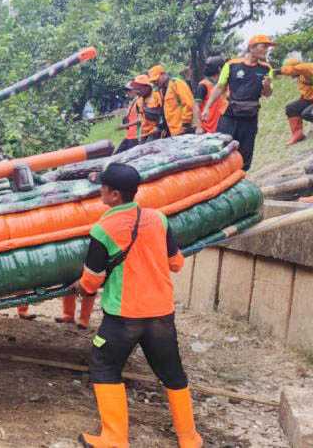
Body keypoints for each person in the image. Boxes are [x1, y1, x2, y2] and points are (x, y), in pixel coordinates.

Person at [72, 163, 201, 448]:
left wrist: (78, 287)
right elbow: (176, 263)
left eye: (103, 187)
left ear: (115, 195)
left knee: (104, 365)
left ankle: (115, 439)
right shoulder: (158, 219)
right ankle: (189, 438)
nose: (100, 191)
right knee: (172, 372)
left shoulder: (103, 228)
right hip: (161, 314)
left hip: (123, 317)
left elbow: (92, 281)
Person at [202, 35, 274, 171]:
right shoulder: (232, 65)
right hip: (230, 115)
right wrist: (207, 107)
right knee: (222, 147)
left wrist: (267, 86)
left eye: (267, 47)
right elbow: (220, 87)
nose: (266, 50)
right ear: (252, 47)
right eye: (263, 46)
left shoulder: (266, 68)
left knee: (245, 152)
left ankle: (240, 178)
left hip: (250, 116)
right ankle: (220, 177)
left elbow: (267, 93)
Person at [149, 65, 200, 136]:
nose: (155, 82)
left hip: (184, 130)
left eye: (156, 79)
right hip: (173, 131)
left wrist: (185, 124)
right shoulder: (161, 91)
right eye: (153, 81)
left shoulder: (177, 84)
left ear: (163, 74)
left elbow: (188, 104)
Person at [279, 57, 313, 145]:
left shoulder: (307, 70)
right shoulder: (300, 76)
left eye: (290, 70)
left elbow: (303, 68)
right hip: (309, 100)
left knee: (307, 113)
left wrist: (278, 71)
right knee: (292, 108)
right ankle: (298, 134)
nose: (289, 74)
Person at [194, 56, 227, 134]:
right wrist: (198, 127)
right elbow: (196, 106)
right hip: (207, 129)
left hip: (220, 127)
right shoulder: (203, 85)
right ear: (220, 69)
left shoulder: (222, 85)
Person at [130, 75, 162, 143]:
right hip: (144, 132)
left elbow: (164, 113)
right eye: (136, 88)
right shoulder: (139, 100)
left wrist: (159, 127)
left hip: (156, 131)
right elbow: (141, 117)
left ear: (147, 87)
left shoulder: (157, 95)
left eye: (139, 88)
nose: (138, 91)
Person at [114, 80, 144, 153]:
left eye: (129, 90)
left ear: (135, 90)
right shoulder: (133, 101)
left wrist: (124, 126)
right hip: (129, 136)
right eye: (126, 91)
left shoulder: (140, 101)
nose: (127, 93)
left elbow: (141, 119)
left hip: (136, 137)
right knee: (116, 155)